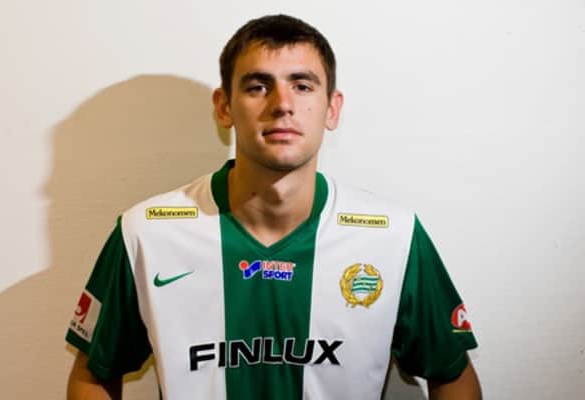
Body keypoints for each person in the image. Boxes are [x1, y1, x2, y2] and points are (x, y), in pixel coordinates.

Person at [66, 14, 482, 400]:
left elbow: (451, 373)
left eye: (302, 86)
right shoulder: (146, 233)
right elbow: (94, 373)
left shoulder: (393, 236)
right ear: (224, 107)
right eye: (257, 86)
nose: (282, 103)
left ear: (332, 108)